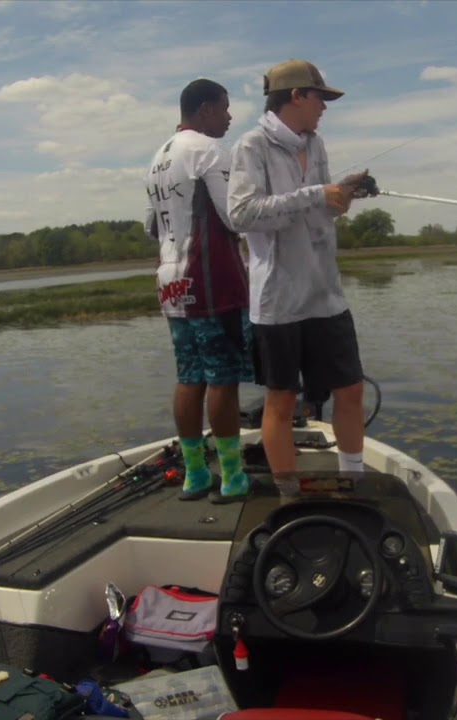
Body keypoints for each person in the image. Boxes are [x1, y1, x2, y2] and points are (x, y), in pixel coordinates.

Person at [226, 59, 374, 480]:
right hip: (279, 302)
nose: (324, 108)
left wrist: (342, 198)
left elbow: (319, 213)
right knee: (282, 401)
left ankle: (353, 480)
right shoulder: (251, 146)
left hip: (325, 293)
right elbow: (241, 214)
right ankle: (289, 493)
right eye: (320, 98)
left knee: (351, 389)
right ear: (296, 97)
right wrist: (314, 195)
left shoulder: (318, 146)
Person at [144, 78, 253, 503]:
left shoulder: (157, 159)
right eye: (225, 108)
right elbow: (236, 215)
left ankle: (194, 475)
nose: (229, 117)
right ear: (205, 109)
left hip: (170, 281)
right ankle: (231, 477)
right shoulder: (208, 149)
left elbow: (151, 226)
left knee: (189, 376)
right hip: (210, 279)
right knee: (222, 378)